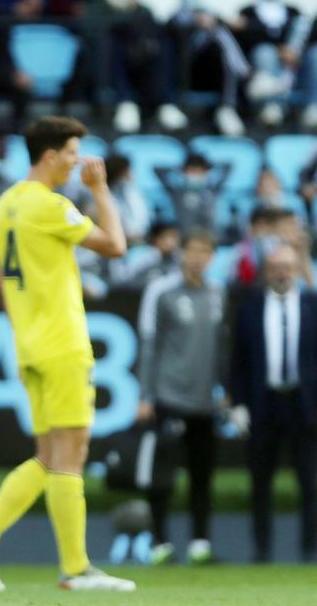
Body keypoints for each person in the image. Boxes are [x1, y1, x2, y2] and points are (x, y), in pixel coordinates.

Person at [0, 116, 135, 592]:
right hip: (64, 342)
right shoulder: (49, 205)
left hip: (30, 343)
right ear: (50, 155)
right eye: (73, 153)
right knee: (71, 455)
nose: (78, 162)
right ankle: (76, 568)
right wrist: (101, 189)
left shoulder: (5, 203)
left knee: (49, 456)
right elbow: (116, 244)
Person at [135, 232, 226, 565]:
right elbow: (149, 344)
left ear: (213, 256)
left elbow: (222, 347)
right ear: (182, 254)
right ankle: (159, 541)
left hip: (205, 400)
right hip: (169, 396)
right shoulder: (163, 292)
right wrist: (146, 394)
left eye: (206, 250)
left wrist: (224, 390)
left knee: (202, 474)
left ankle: (200, 541)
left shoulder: (218, 293)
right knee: (162, 475)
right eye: (193, 250)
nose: (199, 257)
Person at [230, 244, 317, 563]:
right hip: (263, 404)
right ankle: (262, 549)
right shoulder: (249, 309)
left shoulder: (312, 306)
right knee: (260, 482)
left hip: (304, 406)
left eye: (288, 266)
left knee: (309, 483)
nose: (282, 272)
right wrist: (238, 404)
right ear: (267, 271)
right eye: (276, 266)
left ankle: (309, 549)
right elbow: (238, 361)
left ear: (297, 270)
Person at [81, 0, 188, 134]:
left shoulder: (142, 8)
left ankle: (166, 102)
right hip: (109, 68)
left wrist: (132, 7)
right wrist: (123, 13)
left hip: (142, 63)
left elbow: (152, 29)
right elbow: (91, 32)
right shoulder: (95, 6)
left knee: (165, 42)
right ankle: (126, 102)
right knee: (114, 41)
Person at [165, 0, 249, 137]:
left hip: (213, 68)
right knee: (219, 34)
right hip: (189, 69)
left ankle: (228, 104)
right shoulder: (176, 14)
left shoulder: (210, 12)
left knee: (219, 35)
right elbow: (174, 30)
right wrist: (197, 21)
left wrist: (216, 22)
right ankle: (245, 75)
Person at [231, 0, 317, 128]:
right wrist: (279, 49)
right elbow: (245, 41)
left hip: (294, 64)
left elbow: (306, 36)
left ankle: (312, 106)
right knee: (265, 52)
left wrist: (294, 52)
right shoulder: (247, 11)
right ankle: (271, 106)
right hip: (263, 64)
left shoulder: (293, 10)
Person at [154, 152, 228, 238]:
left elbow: (228, 167)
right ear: (184, 172)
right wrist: (177, 168)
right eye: (192, 171)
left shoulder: (212, 190)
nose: (195, 175)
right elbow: (157, 170)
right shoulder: (177, 192)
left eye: (200, 171)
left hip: (209, 239)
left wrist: (210, 166)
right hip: (184, 240)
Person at [116, 222, 180, 289]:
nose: (173, 241)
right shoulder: (142, 254)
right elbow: (125, 279)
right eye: (170, 236)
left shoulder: (177, 257)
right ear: (157, 239)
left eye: (175, 237)